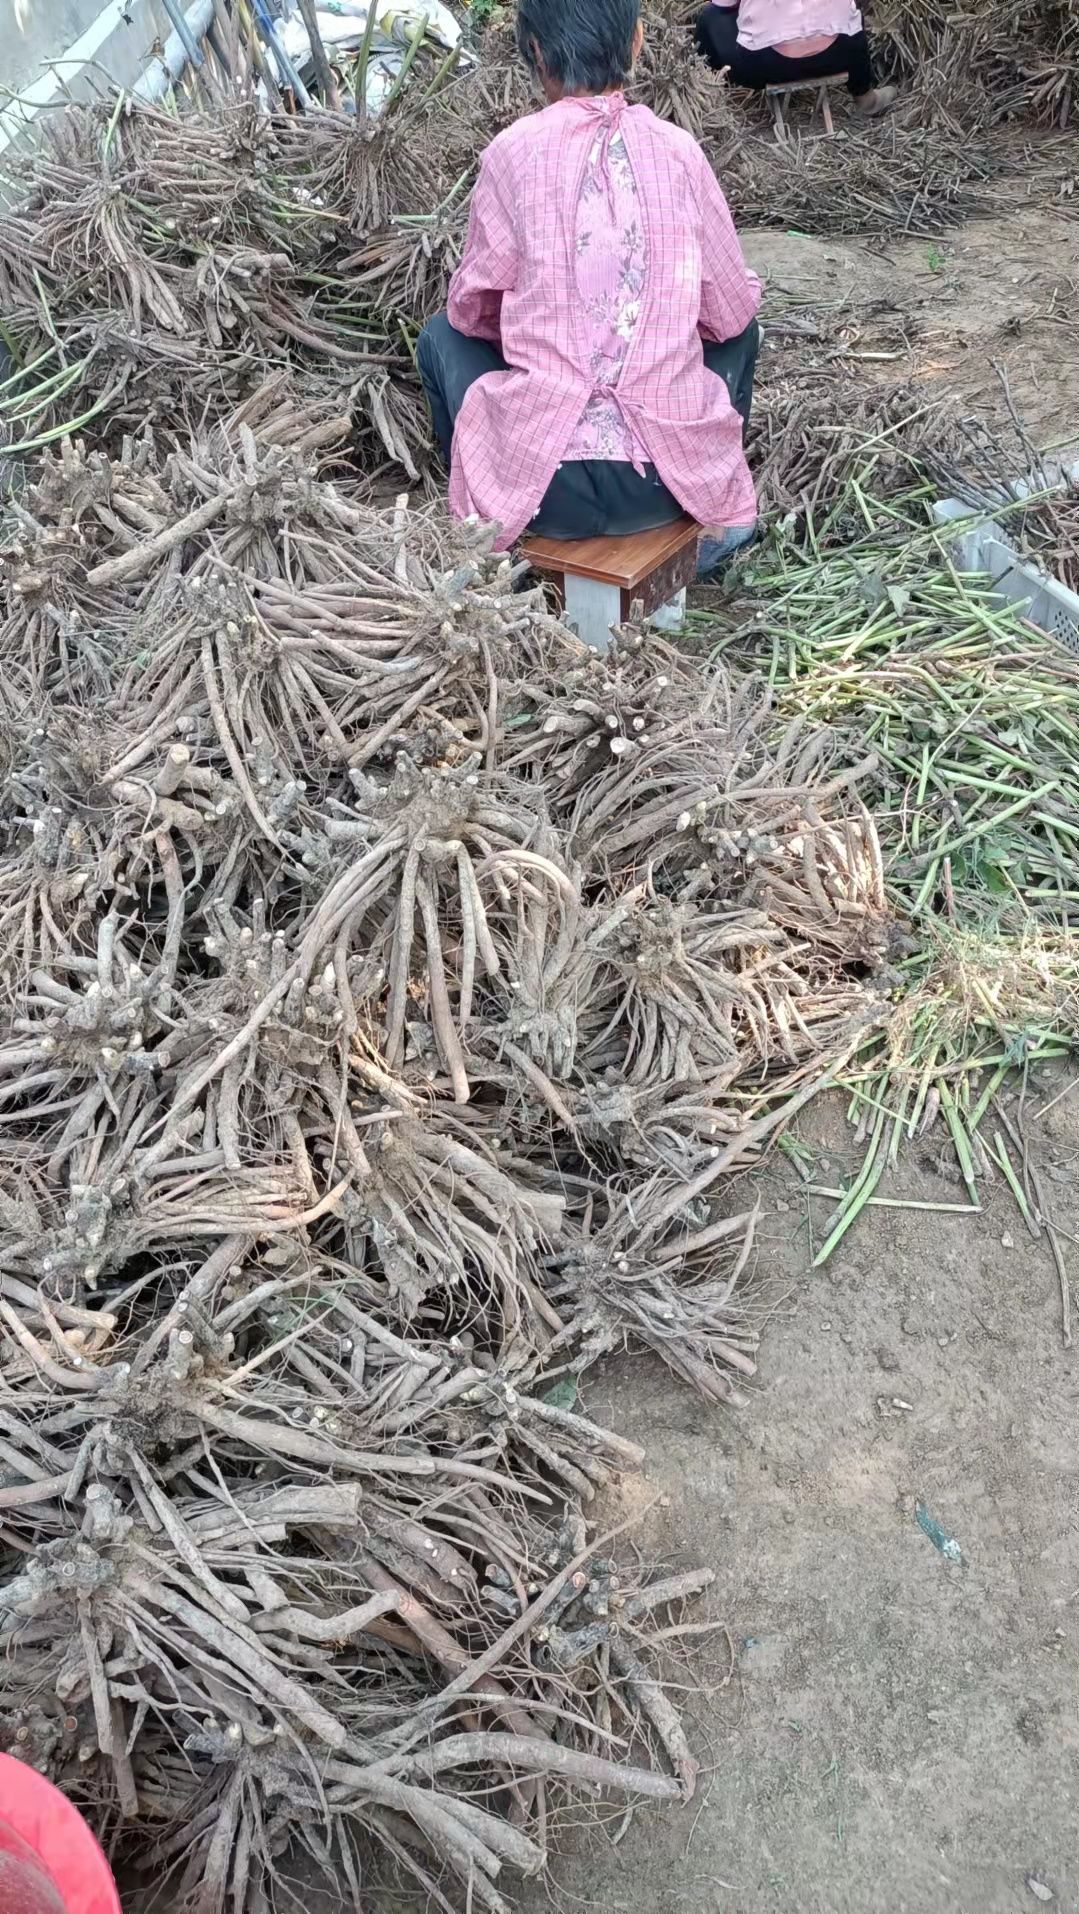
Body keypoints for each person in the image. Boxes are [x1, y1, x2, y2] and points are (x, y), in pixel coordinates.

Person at [416, 0, 762, 574]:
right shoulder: (680, 151)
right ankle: (713, 508)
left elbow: (472, 310)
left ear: (535, 51)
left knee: (441, 337)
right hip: (665, 485)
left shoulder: (512, 153)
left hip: (549, 490)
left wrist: (536, 334)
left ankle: (488, 522)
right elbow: (728, 312)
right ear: (637, 41)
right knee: (743, 328)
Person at [696, 1, 897, 117]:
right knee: (852, 16)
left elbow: (723, 4)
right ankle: (866, 98)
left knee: (711, 16)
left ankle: (710, 99)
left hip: (763, 65)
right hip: (839, 54)